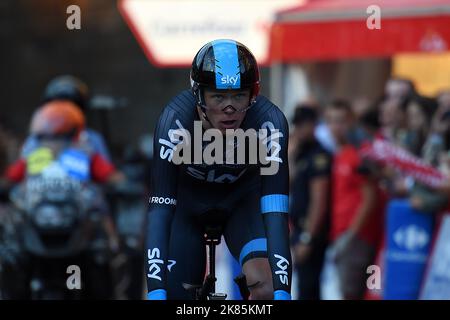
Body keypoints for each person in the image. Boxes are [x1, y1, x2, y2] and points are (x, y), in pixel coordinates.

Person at [146, 39, 291, 300]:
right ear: (199, 96)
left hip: (242, 203)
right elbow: (160, 210)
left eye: (239, 95)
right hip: (185, 208)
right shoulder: (175, 121)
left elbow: (276, 213)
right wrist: (155, 290)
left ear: (253, 95)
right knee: (175, 296)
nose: (229, 108)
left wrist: (283, 291)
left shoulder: (270, 122)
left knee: (268, 290)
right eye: (218, 96)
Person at [325, 99, 383, 300]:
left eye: (341, 121)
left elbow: (370, 198)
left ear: (352, 122)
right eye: (331, 121)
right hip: (342, 233)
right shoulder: (341, 154)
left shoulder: (359, 154)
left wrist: (351, 235)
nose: (336, 127)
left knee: (351, 292)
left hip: (357, 236)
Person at [288, 105, 331, 300]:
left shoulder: (319, 156)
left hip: (311, 232)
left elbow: (319, 201)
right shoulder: (301, 153)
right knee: (302, 287)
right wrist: (290, 156)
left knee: (308, 288)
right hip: (298, 229)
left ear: (313, 125)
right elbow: (287, 184)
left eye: (302, 125)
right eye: (296, 125)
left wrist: (308, 238)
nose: (298, 130)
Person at [21, 75, 112, 161]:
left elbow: (108, 174)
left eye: (71, 107)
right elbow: (19, 172)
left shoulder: (92, 139)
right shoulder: (36, 140)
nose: (64, 111)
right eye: (56, 106)